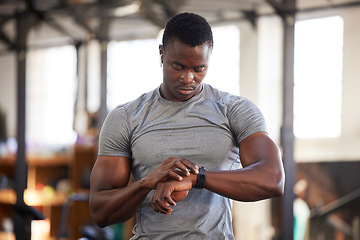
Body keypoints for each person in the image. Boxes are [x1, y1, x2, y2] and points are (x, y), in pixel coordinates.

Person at [89, 12, 285, 239]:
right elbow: (100, 211)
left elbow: (273, 179)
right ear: (161, 54)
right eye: (178, 66)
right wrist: (146, 183)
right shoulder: (127, 117)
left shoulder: (234, 110)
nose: (188, 78)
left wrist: (196, 178)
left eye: (199, 69)